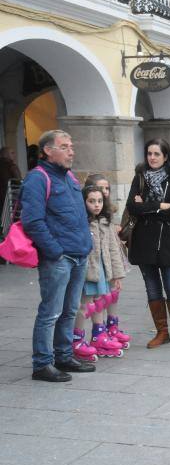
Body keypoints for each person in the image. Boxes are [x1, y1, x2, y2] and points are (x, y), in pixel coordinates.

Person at [21, 130, 94, 381]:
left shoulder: (70, 177)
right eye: (64, 146)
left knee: (70, 310)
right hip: (60, 258)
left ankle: (63, 356)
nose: (71, 151)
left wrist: (86, 243)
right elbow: (32, 221)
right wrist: (55, 251)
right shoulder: (37, 179)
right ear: (48, 151)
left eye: (71, 146)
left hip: (79, 254)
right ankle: (42, 364)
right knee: (50, 312)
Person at [126, 138, 170, 348]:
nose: (152, 158)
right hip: (144, 242)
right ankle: (162, 332)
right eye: (149, 154)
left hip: (167, 242)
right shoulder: (140, 178)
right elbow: (132, 207)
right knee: (153, 290)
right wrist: (160, 205)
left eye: (157, 154)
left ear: (165, 156)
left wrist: (147, 206)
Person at [72, 185, 126, 359]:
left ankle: (99, 335)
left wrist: (117, 275)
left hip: (103, 270)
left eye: (100, 201)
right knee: (85, 305)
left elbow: (113, 250)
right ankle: (76, 338)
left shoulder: (105, 221)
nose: (96, 205)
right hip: (89, 271)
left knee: (100, 303)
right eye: (91, 201)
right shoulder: (82, 222)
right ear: (84, 202)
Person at [83, 173, 131, 348]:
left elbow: (112, 246)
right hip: (95, 266)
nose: (104, 192)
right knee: (96, 300)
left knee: (111, 296)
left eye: (106, 189)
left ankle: (111, 327)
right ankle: (99, 331)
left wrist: (117, 273)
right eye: (100, 188)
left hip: (109, 263)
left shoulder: (106, 214)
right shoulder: (88, 219)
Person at [0, 146, 21, 214]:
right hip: (10, 198)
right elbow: (19, 182)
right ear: (5, 155)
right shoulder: (12, 166)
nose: (14, 155)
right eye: (12, 153)